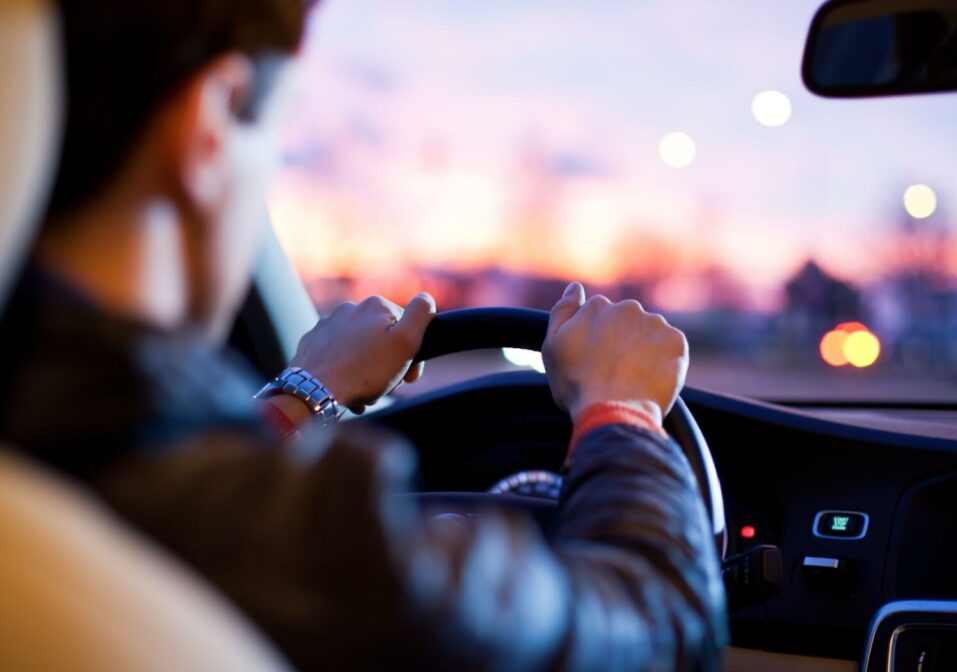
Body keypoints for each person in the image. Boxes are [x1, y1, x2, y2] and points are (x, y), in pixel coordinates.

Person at [0, 0, 728, 670]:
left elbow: (174, 464)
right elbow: (659, 622)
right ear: (210, 124)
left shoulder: (56, 443)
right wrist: (623, 412)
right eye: (278, 137)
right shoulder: (316, 552)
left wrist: (303, 393)